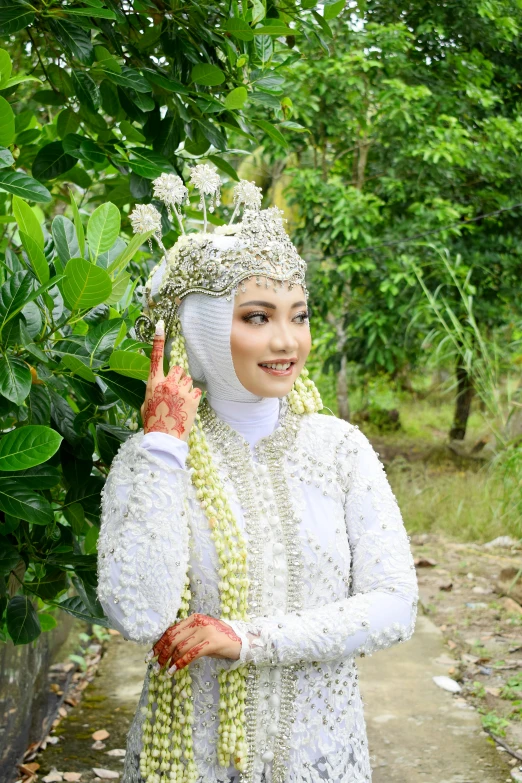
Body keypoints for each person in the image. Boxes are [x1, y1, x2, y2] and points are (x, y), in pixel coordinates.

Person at [96, 168, 419, 783]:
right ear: (203, 330)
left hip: (320, 754)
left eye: (298, 315)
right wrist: (165, 445)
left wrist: (247, 639)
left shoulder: (339, 450)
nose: (286, 341)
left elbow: (395, 606)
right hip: (192, 762)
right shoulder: (156, 459)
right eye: (256, 317)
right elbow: (138, 614)